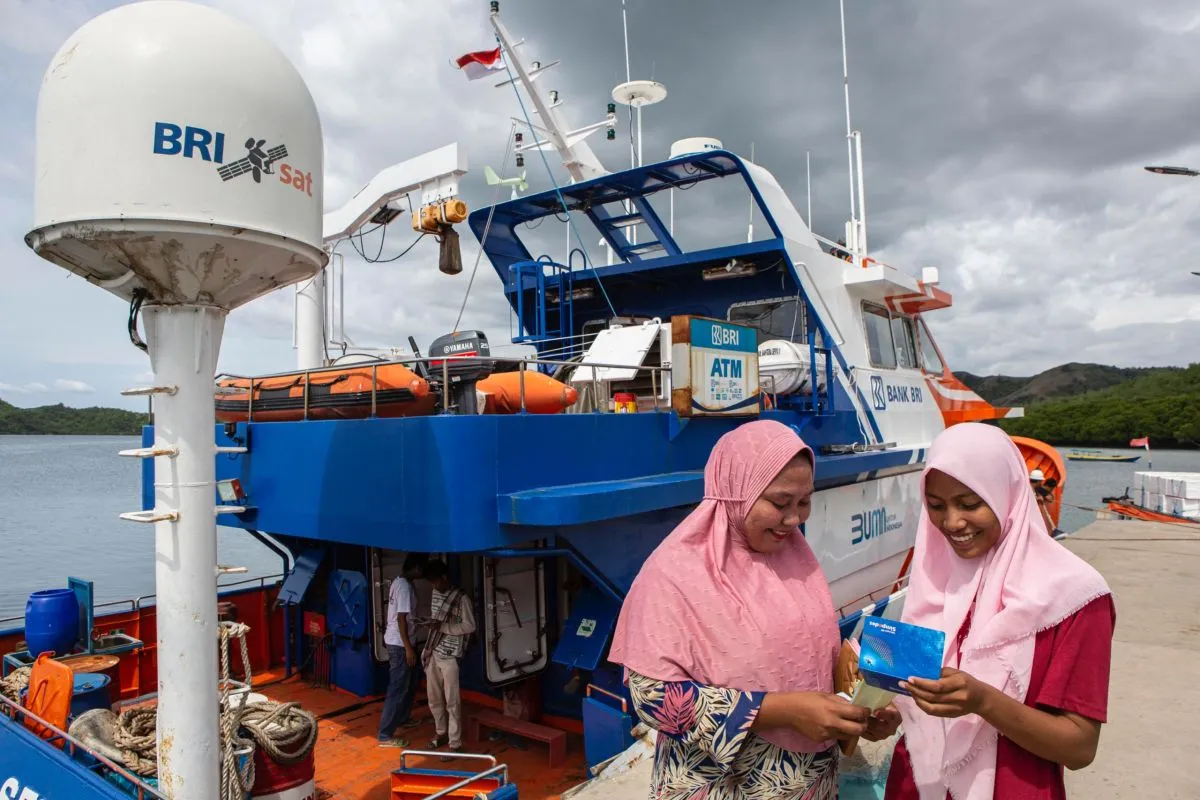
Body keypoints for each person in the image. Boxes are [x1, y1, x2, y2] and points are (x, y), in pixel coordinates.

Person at [608, 420, 898, 799]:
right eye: (780, 503)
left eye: (804, 501)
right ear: (735, 493)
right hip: (720, 785)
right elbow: (652, 697)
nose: (794, 520)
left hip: (807, 781)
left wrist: (859, 704)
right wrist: (778, 711)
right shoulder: (675, 573)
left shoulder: (796, 559)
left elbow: (809, 656)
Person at [883, 423, 1115, 800]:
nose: (952, 523)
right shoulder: (934, 577)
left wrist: (983, 702)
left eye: (970, 503)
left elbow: (1079, 747)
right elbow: (918, 694)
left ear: (1006, 493)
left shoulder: (1075, 598)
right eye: (937, 507)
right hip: (916, 785)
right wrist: (889, 713)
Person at [420, 559, 476, 757]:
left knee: (452, 701)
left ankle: (454, 742)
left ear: (445, 577)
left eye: (437, 582)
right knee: (434, 699)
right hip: (434, 652)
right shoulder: (436, 593)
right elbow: (436, 622)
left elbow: (470, 626)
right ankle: (440, 732)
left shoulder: (462, 599)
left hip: (451, 656)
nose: (435, 587)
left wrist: (445, 628)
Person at [378, 554, 426, 747]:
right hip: (400, 644)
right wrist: (408, 648)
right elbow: (401, 619)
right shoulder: (405, 587)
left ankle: (403, 717)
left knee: (411, 682)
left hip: (402, 640)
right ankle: (385, 734)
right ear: (415, 568)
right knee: (398, 687)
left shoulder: (399, 582)